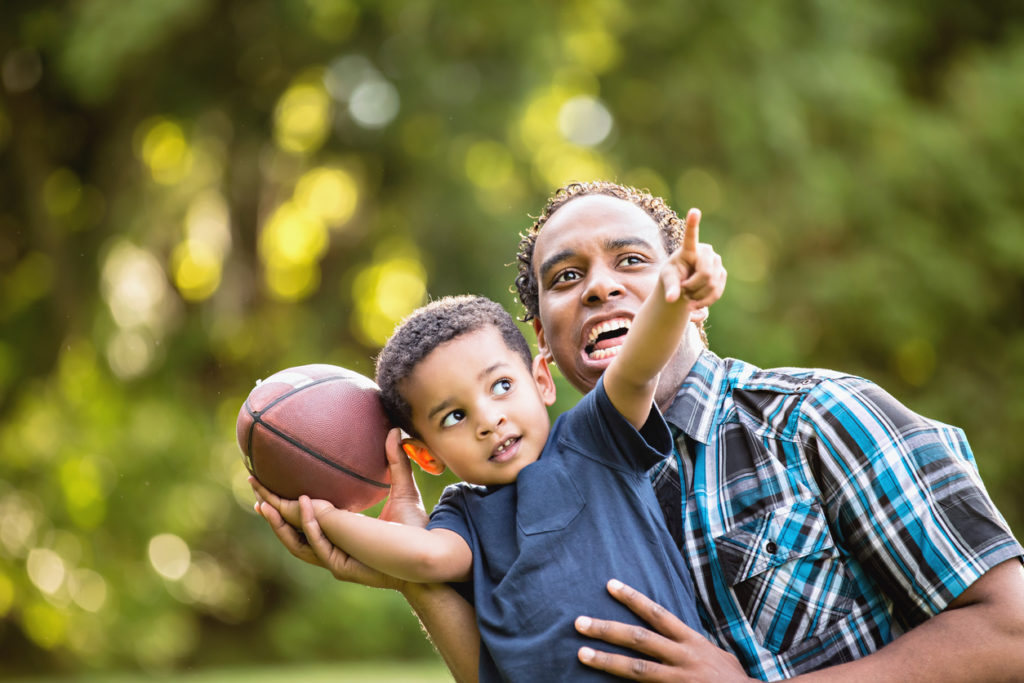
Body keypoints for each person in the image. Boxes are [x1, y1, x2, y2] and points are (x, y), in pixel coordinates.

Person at [254, 181, 1024, 681]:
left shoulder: (822, 418)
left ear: (685, 294)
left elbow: (1011, 633)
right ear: (541, 345)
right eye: (565, 278)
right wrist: (408, 567)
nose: (597, 284)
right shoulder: (517, 501)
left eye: (631, 261)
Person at [279, 201, 722, 681]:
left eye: (502, 386)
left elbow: (637, 366)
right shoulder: (462, 514)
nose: (489, 420)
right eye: (453, 416)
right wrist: (326, 516)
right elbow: (427, 558)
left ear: (542, 380)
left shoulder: (594, 440)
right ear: (426, 456)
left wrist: (673, 295)